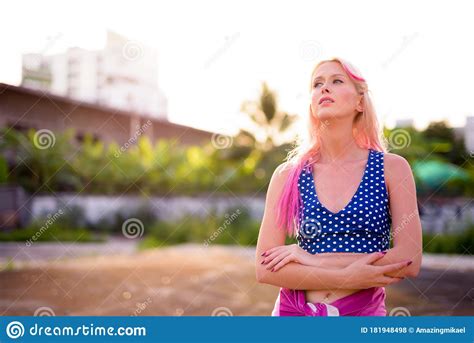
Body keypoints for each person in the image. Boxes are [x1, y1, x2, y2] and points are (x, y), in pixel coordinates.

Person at [255, 57, 423, 316]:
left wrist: (310, 259)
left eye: (336, 81)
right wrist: (347, 277)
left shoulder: (392, 168)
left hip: (362, 313)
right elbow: (265, 268)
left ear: (359, 101)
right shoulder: (287, 174)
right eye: (317, 84)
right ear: (311, 103)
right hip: (293, 313)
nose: (324, 88)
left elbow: (408, 259)